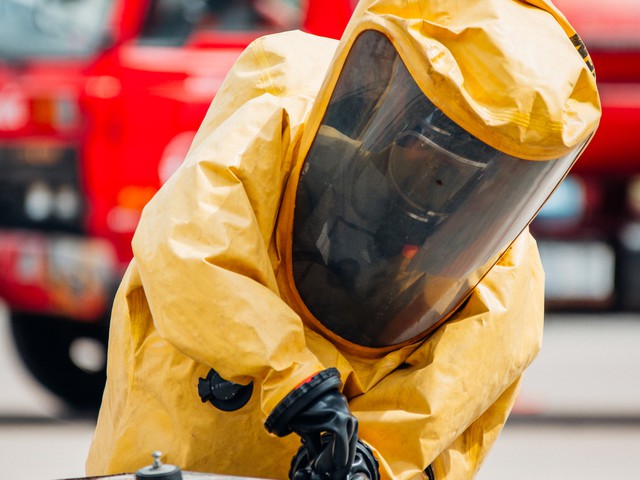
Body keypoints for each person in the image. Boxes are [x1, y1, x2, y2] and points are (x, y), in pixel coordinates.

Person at [86, 0, 601, 479]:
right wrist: (293, 381)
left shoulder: (502, 273)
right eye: (440, 143)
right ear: (397, 103)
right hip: (189, 434)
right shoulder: (285, 108)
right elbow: (189, 249)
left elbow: (443, 402)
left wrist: (369, 462)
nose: (446, 180)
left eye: (477, 163)